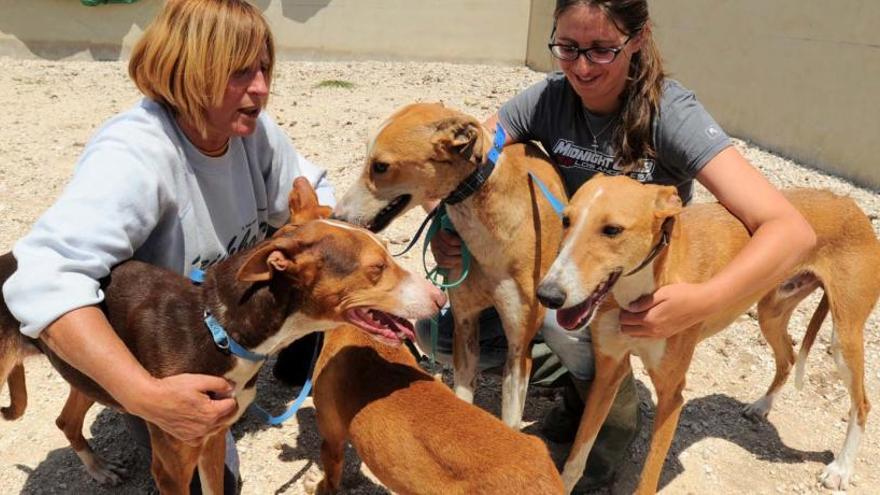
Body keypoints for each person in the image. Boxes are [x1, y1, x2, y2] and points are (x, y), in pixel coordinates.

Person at [417, 0, 816, 487]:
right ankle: (580, 381)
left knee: (566, 329)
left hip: (631, 283)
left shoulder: (672, 114)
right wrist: (444, 229)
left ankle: (614, 418)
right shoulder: (545, 98)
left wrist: (702, 302)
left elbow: (791, 230)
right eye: (567, 48)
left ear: (638, 39)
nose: (581, 67)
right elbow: (467, 163)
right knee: (434, 335)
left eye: (602, 50)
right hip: (561, 270)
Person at [2, 0, 334, 493]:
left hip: (206, 332)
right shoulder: (134, 155)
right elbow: (42, 276)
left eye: (264, 68)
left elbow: (315, 196)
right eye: (239, 72)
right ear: (187, 72)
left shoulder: (251, 131)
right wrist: (146, 396)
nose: (262, 88)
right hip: (159, 347)